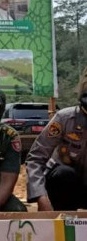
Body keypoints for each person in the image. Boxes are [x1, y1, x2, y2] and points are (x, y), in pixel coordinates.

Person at [25, 69, 87, 210]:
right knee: (64, 174)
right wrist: (40, 196)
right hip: (64, 187)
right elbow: (35, 159)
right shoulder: (64, 118)